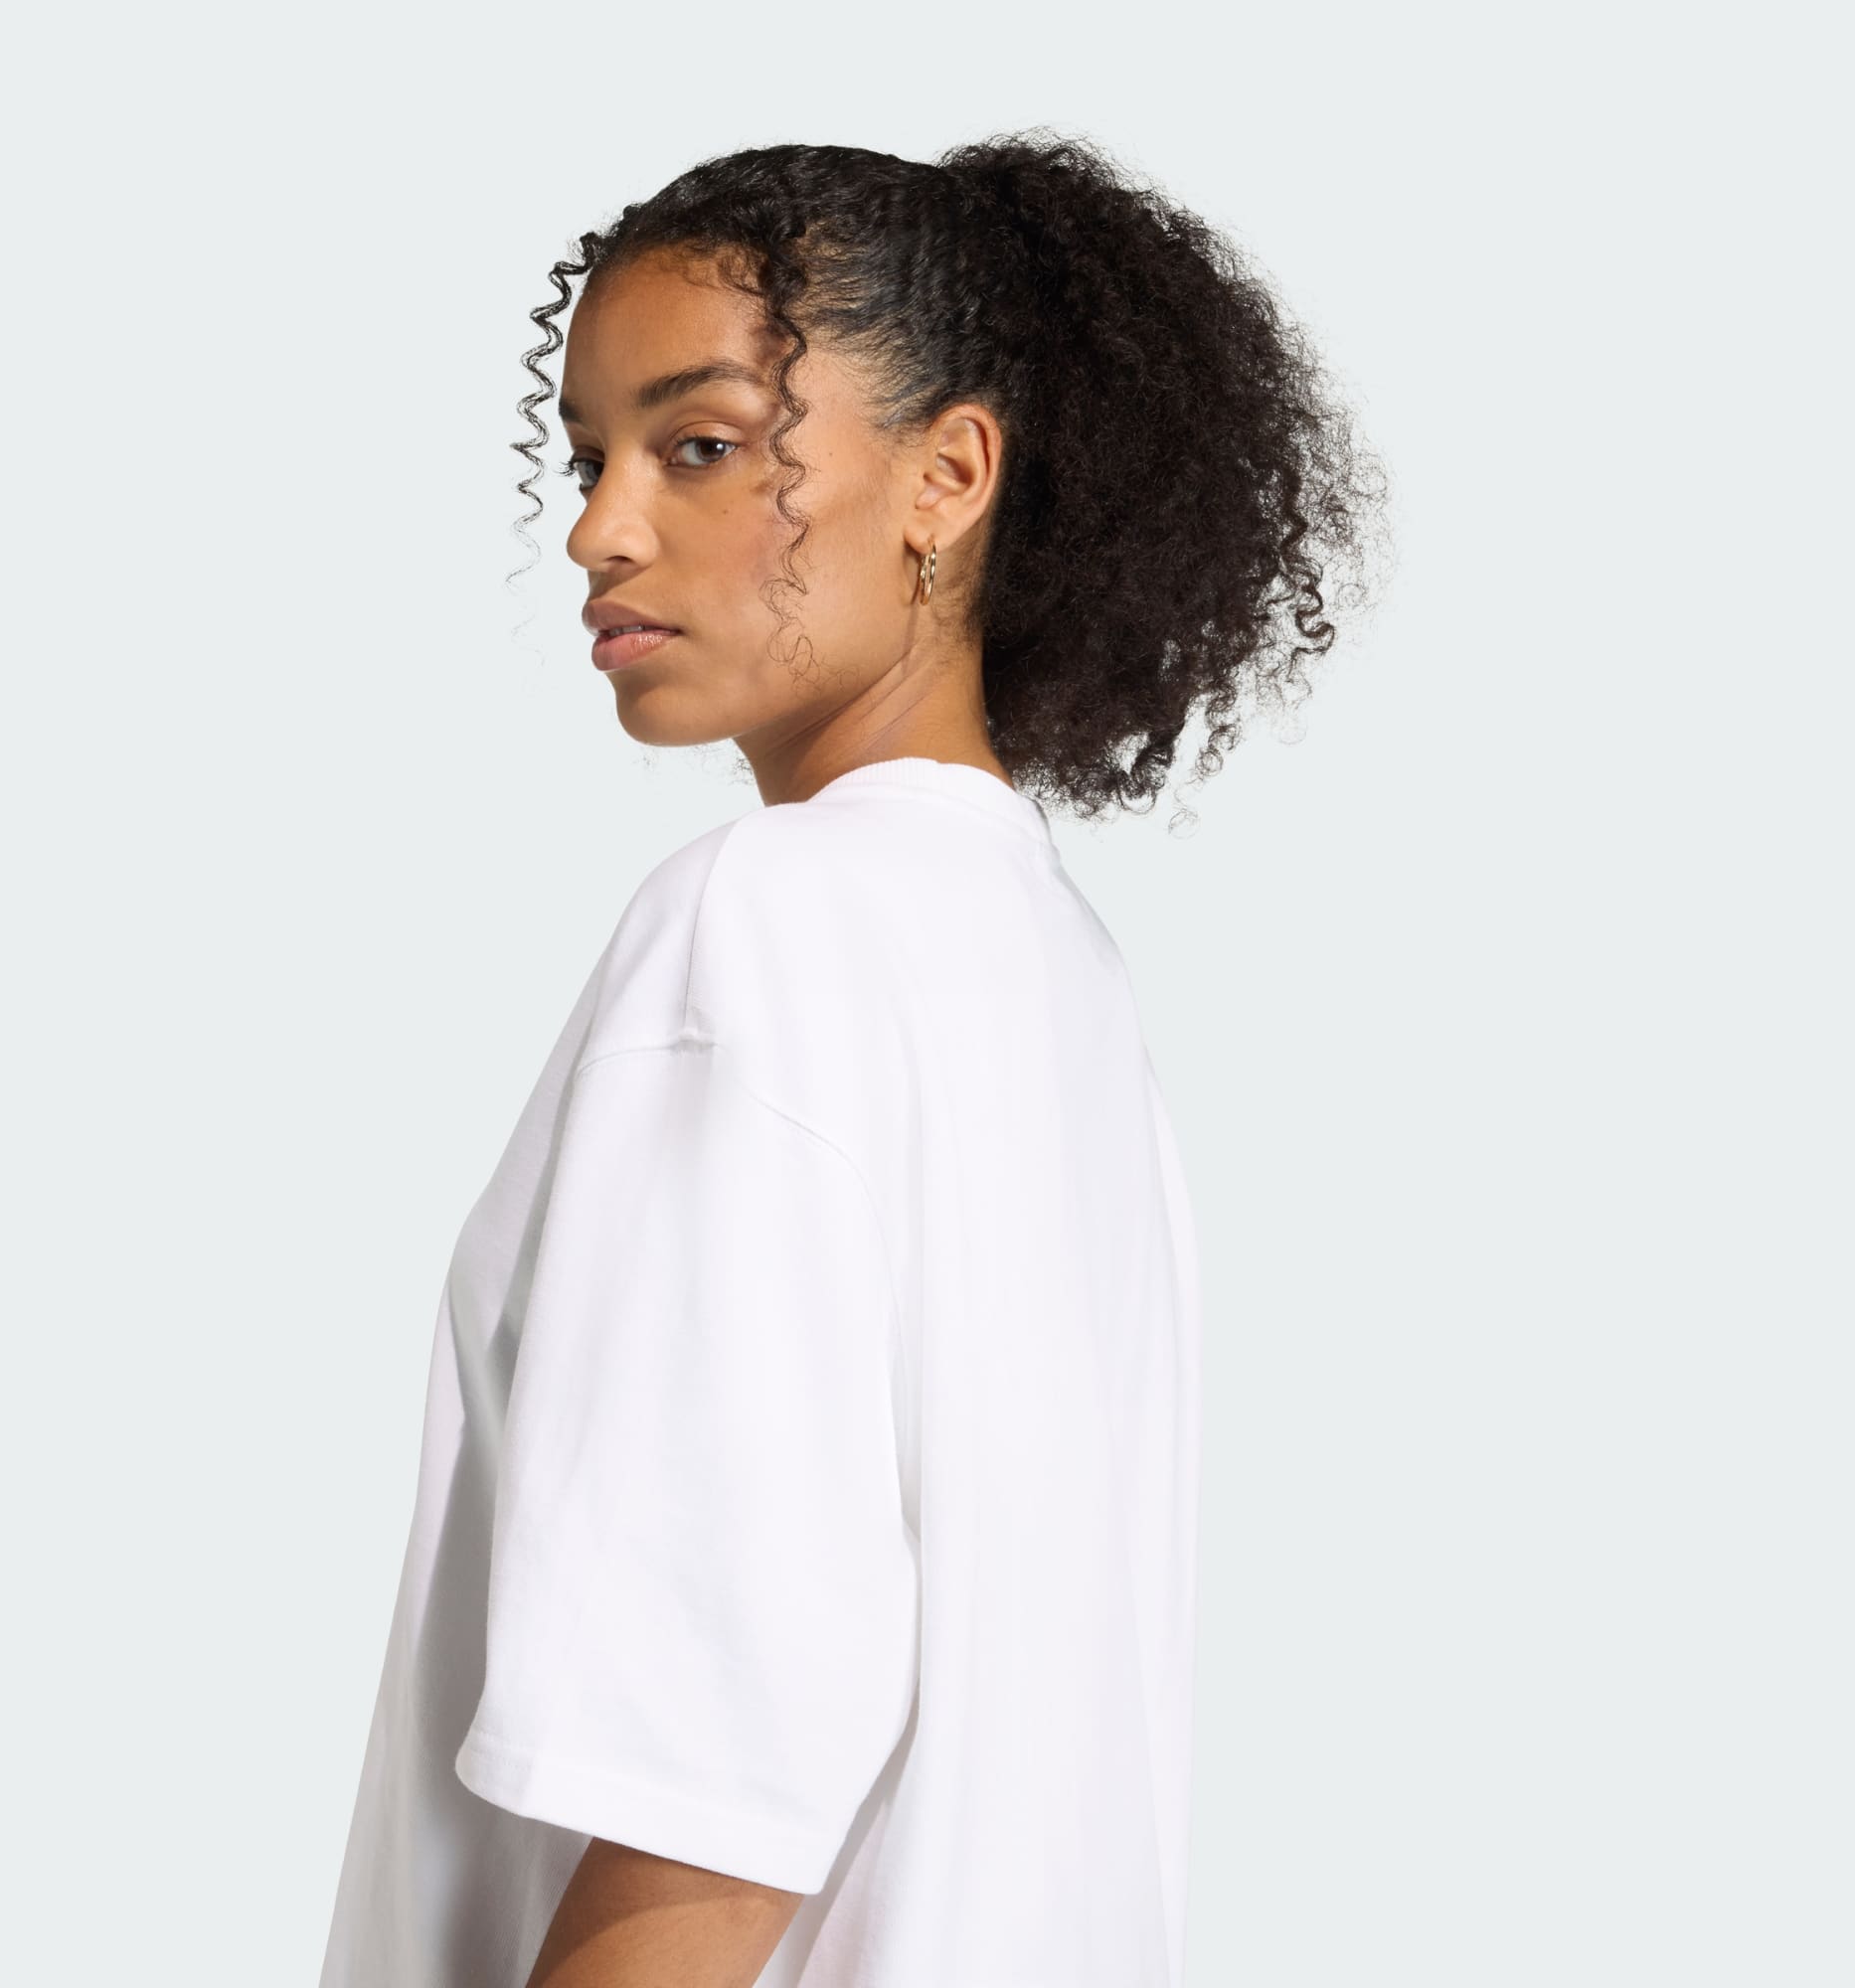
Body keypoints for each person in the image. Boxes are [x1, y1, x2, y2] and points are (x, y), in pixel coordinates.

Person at [317, 129, 1386, 1988]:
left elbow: (706, 1772)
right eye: (589, 456)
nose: (599, 529)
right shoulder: (1050, 971)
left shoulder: (768, 922)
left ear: (945, 477)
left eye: (702, 445)